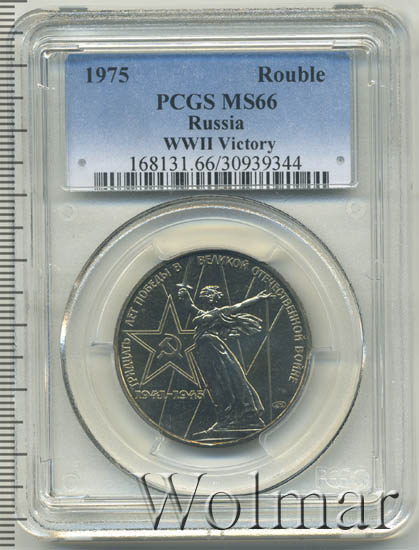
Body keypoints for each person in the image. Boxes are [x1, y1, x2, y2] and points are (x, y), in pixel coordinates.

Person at [177, 284, 272, 434]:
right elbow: (190, 306)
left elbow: (240, 305)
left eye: (208, 294)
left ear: (214, 297)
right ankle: (225, 418)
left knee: (224, 379)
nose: (205, 296)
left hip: (213, 347)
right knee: (214, 383)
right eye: (203, 294)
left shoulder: (220, 312)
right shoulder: (202, 313)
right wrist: (185, 294)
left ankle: (236, 415)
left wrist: (258, 298)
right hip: (203, 349)